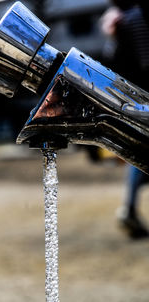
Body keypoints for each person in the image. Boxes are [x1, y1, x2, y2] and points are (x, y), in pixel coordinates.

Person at [100, 0, 149, 238]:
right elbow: (146, 60)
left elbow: (110, 58)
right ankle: (128, 209)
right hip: (144, 94)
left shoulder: (115, 19)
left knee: (140, 152)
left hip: (127, 95)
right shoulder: (137, 17)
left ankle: (129, 208)